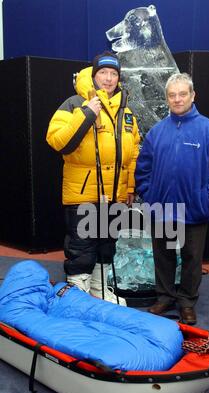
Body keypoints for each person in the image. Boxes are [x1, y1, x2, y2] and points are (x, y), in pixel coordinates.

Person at [135, 73, 209, 324]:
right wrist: (149, 194)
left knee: (191, 258)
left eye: (182, 94)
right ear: (167, 98)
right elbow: (143, 168)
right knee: (164, 255)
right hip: (162, 208)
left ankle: (187, 302)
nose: (177, 99)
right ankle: (165, 297)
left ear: (192, 95)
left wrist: (206, 199)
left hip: (194, 210)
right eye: (172, 95)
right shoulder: (157, 132)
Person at [46, 51, 140, 305]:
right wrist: (87, 112)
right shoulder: (75, 103)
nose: (108, 79)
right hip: (83, 192)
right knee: (82, 247)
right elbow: (57, 140)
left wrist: (129, 186)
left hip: (115, 195)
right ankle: (77, 294)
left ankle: (99, 289)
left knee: (106, 245)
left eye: (113, 74)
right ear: (94, 75)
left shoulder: (126, 111)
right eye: (103, 73)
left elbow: (133, 153)